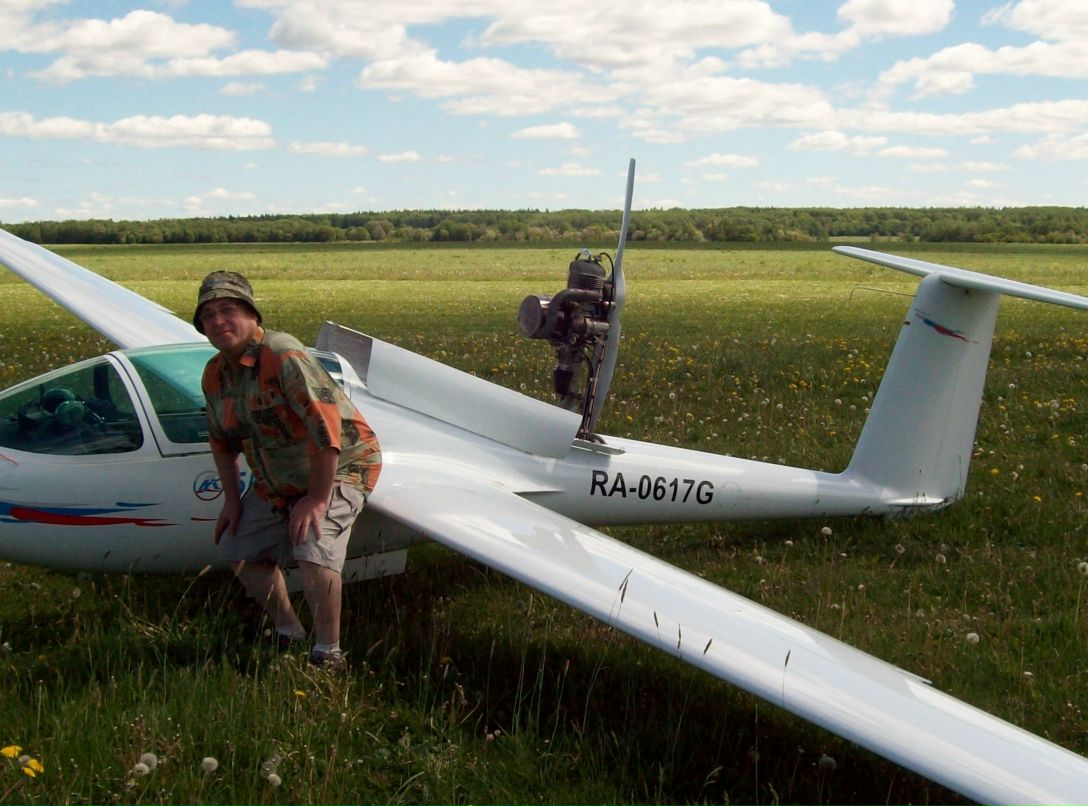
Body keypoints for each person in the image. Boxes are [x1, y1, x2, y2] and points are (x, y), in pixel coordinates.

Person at [194, 271, 381, 669]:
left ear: (252, 316)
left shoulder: (282, 355)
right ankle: (288, 631)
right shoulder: (215, 373)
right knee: (236, 547)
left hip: (343, 463)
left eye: (228, 310)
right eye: (208, 316)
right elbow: (221, 442)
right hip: (280, 474)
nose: (218, 321)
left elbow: (328, 431)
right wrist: (232, 503)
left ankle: (328, 653)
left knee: (313, 543)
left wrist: (315, 499)